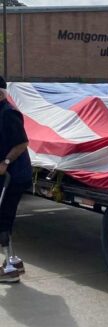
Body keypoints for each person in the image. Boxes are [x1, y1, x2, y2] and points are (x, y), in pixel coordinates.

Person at [0, 76, 32, 283]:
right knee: (4, 219)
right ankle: (12, 262)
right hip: (7, 176)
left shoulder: (8, 113)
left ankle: (10, 269)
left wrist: (5, 161)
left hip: (13, 176)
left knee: (3, 219)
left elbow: (23, 143)